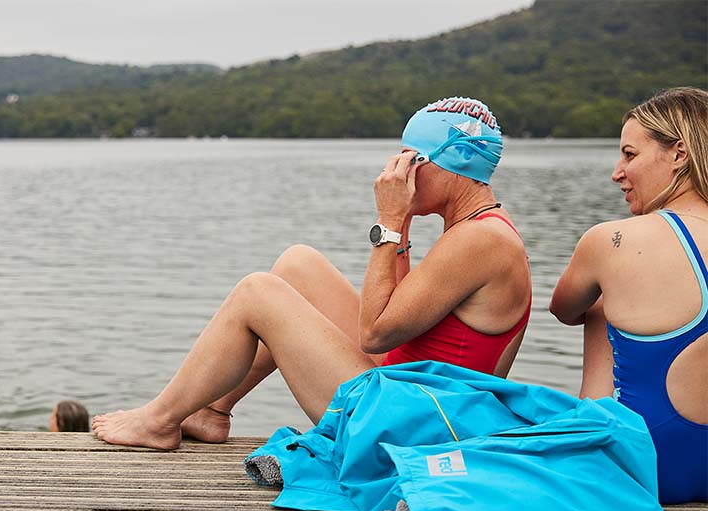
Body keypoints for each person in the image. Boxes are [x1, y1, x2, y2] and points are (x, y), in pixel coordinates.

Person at [94, 96, 532, 450]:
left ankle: (158, 420)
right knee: (296, 264)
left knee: (257, 292)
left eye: (409, 158)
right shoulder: (477, 228)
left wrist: (391, 222)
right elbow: (399, 321)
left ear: (446, 163)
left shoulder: (481, 241)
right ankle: (211, 410)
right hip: (407, 393)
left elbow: (376, 334)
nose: (394, 170)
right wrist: (404, 225)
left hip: (412, 428)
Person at [550, 86, 708, 504]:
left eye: (630, 155)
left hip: (653, 464)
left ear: (679, 154)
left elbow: (564, 309)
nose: (617, 172)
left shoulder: (613, 239)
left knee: (600, 305)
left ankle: (586, 427)